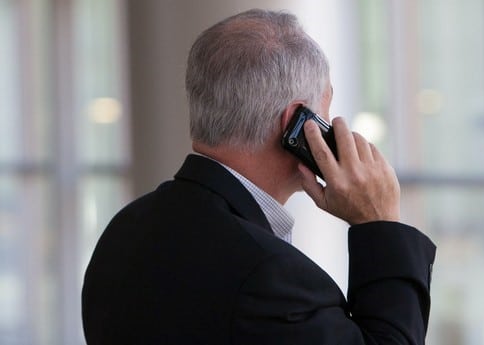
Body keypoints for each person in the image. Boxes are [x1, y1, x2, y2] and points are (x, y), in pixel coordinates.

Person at [82, 8, 436, 345]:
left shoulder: (124, 231)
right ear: (298, 124)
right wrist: (379, 223)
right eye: (326, 112)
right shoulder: (270, 276)